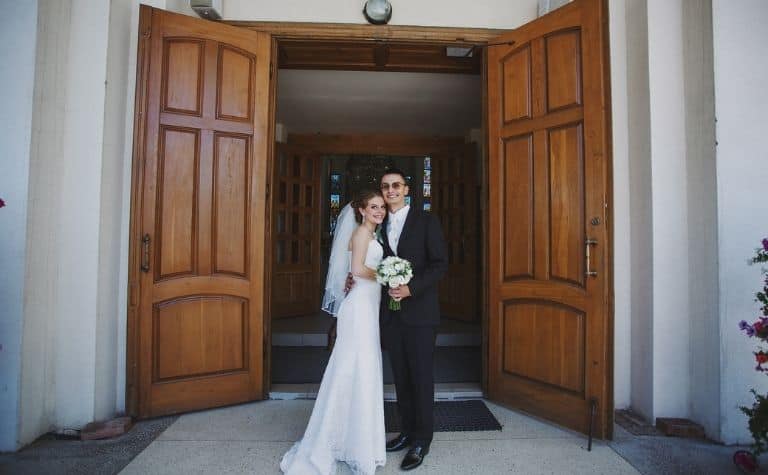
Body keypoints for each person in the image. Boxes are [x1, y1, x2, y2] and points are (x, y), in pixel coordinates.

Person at [280, 190, 387, 475]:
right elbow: (357, 268)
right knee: (353, 365)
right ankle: (338, 439)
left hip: (367, 305)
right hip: (359, 309)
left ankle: (354, 439)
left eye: (382, 207)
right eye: (373, 207)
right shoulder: (363, 234)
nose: (379, 210)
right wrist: (389, 274)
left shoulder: (373, 235)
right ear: (362, 211)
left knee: (362, 366)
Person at [376, 168, 449, 470]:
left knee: (420, 378)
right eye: (385, 187)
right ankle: (406, 431)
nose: (390, 190)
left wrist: (411, 288)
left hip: (420, 315)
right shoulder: (377, 223)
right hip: (391, 318)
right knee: (401, 379)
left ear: (406, 189)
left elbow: (440, 264)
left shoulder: (426, 221)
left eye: (396, 185)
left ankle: (422, 440)